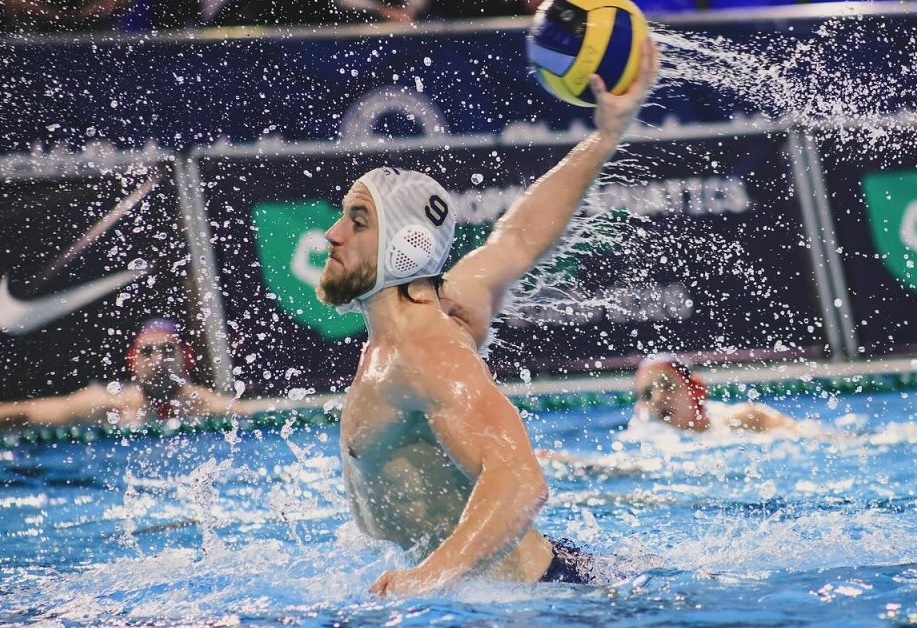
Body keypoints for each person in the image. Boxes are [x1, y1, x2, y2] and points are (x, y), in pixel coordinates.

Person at [314, 39, 658, 595]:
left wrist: (428, 577)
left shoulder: (425, 352)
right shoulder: (447, 303)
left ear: (404, 248)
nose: (333, 235)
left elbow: (521, 481)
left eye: (358, 221)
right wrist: (605, 136)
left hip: (531, 598)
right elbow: (517, 237)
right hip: (539, 574)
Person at [0, 318, 285, 429]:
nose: (158, 360)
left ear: (186, 358)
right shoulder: (107, 405)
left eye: (168, 351)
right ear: (132, 361)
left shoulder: (212, 408)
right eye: (147, 352)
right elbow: (27, 414)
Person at [634, 354, 798, 434]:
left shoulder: (742, 419)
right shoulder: (645, 439)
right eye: (647, 393)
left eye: (668, 385)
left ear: (696, 389)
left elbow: (804, 434)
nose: (657, 398)